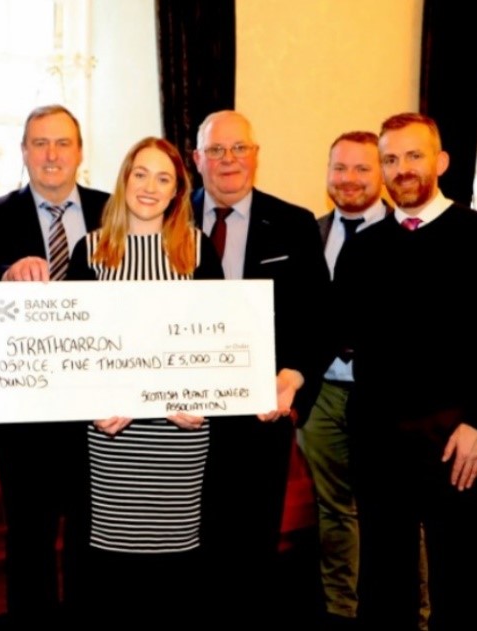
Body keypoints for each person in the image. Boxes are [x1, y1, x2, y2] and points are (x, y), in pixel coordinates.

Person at [334, 113, 477, 631]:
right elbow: (330, 331)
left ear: (440, 161)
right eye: (391, 159)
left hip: (456, 437)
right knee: (382, 575)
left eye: (413, 156)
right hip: (378, 439)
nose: (402, 169)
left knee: (461, 576)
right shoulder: (363, 249)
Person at [0, 104, 108, 630]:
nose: (51, 154)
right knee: (30, 535)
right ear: (23, 152)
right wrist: (5, 273)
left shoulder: (112, 210)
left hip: (101, 408)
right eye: (39, 143)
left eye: (62, 143)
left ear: (79, 152)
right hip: (28, 408)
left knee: (96, 533)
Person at [65, 136, 223, 628]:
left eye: (164, 178)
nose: (150, 187)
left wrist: (199, 400)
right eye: (141, 174)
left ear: (178, 191)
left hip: (180, 437)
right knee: (109, 577)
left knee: (175, 578)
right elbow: (73, 348)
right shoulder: (90, 251)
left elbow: (216, 343)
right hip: (110, 440)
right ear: (124, 179)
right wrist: (98, 400)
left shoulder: (197, 252)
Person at [189, 111, 331, 626]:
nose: (229, 161)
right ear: (197, 159)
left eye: (239, 149)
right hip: (183, 420)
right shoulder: (168, 219)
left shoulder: (293, 222)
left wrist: (294, 377)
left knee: (251, 546)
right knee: (190, 545)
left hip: (261, 415)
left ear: (255, 155)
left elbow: (318, 316)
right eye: (217, 151)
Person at [304, 130, 391, 628]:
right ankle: (342, 611)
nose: (350, 179)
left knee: (394, 507)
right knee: (334, 508)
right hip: (322, 394)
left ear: (380, 172)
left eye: (362, 168)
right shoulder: (309, 233)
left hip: (384, 397)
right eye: (340, 168)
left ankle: (410, 609)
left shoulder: (405, 235)